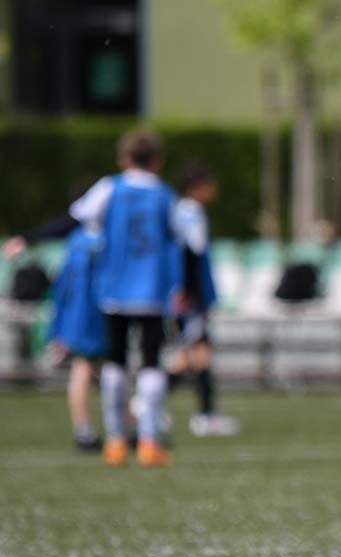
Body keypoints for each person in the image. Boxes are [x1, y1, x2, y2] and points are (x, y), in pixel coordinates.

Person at [71, 129, 185, 468]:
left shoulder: (110, 188)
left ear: (124, 159)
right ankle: (149, 441)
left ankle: (116, 440)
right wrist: (183, 286)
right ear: (158, 161)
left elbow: (79, 217)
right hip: (152, 292)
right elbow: (184, 238)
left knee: (115, 362)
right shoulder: (164, 195)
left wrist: (29, 238)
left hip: (114, 290)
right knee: (151, 362)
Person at [5, 211, 108, 451]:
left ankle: (111, 427)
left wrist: (60, 328)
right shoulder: (94, 241)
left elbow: (63, 290)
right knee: (87, 366)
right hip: (94, 316)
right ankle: (92, 431)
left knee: (95, 368)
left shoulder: (78, 242)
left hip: (84, 317)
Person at [167, 163, 239, 437]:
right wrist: (190, 292)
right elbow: (191, 254)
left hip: (187, 294)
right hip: (191, 297)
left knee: (190, 356)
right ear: (197, 187)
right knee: (200, 353)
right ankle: (205, 416)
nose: (214, 190)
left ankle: (149, 400)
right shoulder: (191, 214)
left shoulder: (181, 211)